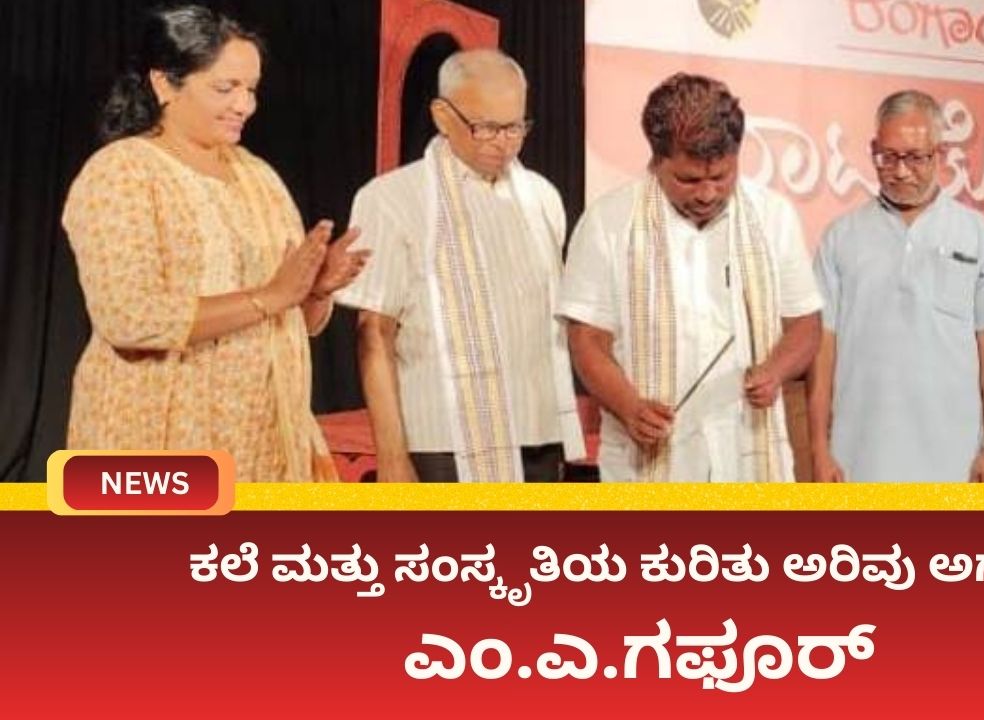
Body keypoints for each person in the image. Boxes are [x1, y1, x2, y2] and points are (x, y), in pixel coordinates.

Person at [61, 5, 367, 482]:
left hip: (262, 441)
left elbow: (294, 323)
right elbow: (129, 318)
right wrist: (270, 297)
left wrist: (314, 290)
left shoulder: (258, 176)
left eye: (252, 89)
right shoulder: (122, 172)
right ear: (165, 84)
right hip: (161, 440)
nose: (245, 105)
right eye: (225, 88)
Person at [335, 49, 584, 482]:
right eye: (486, 127)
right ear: (442, 116)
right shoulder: (390, 198)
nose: (504, 142)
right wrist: (392, 457)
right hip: (442, 439)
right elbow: (374, 334)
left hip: (538, 433)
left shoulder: (542, 197)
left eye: (515, 127)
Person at [559, 73, 822, 482]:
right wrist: (629, 406)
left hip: (748, 457)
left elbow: (805, 323)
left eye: (721, 177)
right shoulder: (607, 222)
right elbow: (587, 339)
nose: (707, 194)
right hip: (648, 463)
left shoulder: (774, 216)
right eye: (689, 180)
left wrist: (776, 370)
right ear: (656, 160)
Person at [807, 90, 984, 483]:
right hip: (858, 456)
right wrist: (820, 449)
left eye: (915, 157)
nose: (901, 171)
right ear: (873, 150)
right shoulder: (840, 237)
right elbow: (823, 347)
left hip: (955, 459)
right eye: (888, 157)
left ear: (940, 154)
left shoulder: (979, 234)